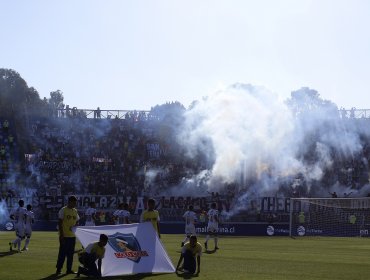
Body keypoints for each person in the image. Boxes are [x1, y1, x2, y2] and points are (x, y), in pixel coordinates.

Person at [56, 195, 80, 275]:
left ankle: (69, 269)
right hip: (65, 236)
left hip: (72, 236)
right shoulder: (63, 210)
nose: (75, 204)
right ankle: (59, 269)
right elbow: (60, 222)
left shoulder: (75, 211)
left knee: (70, 254)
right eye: (74, 202)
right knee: (62, 254)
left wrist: (75, 226)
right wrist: (61, 235)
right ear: (70, 202)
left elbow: (77, 221)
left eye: (75, 203)